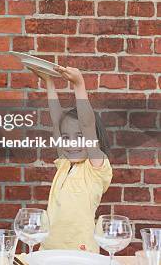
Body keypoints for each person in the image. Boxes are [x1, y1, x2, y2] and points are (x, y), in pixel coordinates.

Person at [31, 65, 112, 253]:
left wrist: (79, 84)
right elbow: (56, 120)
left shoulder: (95, 168)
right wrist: (49, 82)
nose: (71, 143)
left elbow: (87, 123)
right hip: (49, 248)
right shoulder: (64, 162)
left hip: (80, 251)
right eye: (66, 137)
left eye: (80, 136)